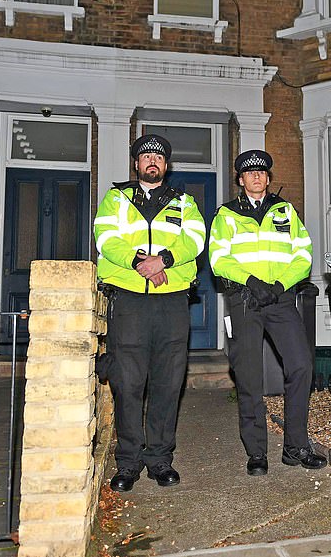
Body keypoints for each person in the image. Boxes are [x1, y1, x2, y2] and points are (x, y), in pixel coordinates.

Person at [93, 134, 206, 492]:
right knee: (127, 382)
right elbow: (106, 238)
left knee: (167, 382)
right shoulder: (116, 198)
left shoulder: (184, 202)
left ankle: (159, 458)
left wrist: (164, 261)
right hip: (129, 300)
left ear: (166, 165)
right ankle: (128, 462)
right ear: (136, 164)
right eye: (146, 157)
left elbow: (195, 240)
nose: (152, 161)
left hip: (171, 301)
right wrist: (140, 263)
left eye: (158, 157)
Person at [209, 149, 326, 476]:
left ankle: (295, 446)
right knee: (248, 375)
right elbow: (218, 258)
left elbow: (303, 254)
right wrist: (251, 282)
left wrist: (279, 285)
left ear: (268, 178)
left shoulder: (285, 211)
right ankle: (256, 451)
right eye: (250, 173)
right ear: (240, 180)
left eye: (261, 172)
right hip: (245, 299)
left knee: (301, 364)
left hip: (279, 298)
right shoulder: (227, 215)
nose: (257, 176)